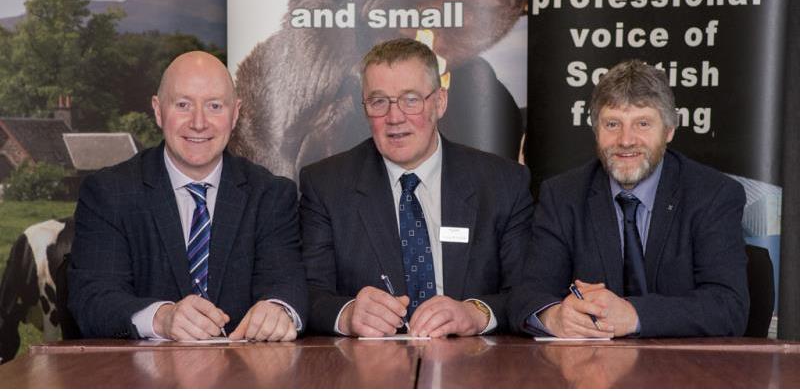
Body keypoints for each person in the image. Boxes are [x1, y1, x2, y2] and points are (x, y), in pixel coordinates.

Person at [299, 38, 533, 338]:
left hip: (474, 366)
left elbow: (529, 290)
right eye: (379, 101)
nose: (395, 118)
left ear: (439, 102)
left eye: (411, 99)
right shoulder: (326, 185)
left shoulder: (502, 184)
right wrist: (346, 315)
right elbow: (308, 292)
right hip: (367, 370)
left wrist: (476, 313)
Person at [68, 51, 308, 341]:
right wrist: (161, 318)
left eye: (215, 106)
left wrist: (278, 309)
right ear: (158, 110)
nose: (199, 122)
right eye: (183, 105)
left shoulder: (271, 195)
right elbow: (92, 300)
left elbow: (286, 285)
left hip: (244, 378)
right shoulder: (109, 193)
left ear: (235, 114)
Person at [508, 59, 749, 338]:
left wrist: (633, 315)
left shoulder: (713, 195)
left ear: (669, 130)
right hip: (589, 373)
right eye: (612, 124)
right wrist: (553, 317)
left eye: (642, 123)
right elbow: (526, 296)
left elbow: (729, 308)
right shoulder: (563, 196)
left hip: (682, 372)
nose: (625, 140)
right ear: (596, 131)